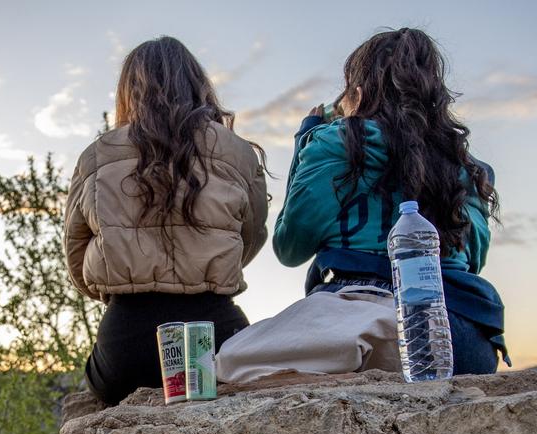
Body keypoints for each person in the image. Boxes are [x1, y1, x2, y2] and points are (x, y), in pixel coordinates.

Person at [273, 28, 508, 374]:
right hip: (462, 335)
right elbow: (472, 262)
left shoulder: (332, 143)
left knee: (235, 359)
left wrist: (306, 136)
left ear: (358, 92)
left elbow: (289, 247)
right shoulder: (470, 168)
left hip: (357, 325)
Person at [65, 35, 269, 405]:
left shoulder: (95, 157)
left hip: (127, 342)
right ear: (198, 84)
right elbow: (250, 237)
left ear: (127, 93)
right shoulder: (237, 152)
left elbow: (76, 259)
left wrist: (120, 280)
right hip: (215, 334)